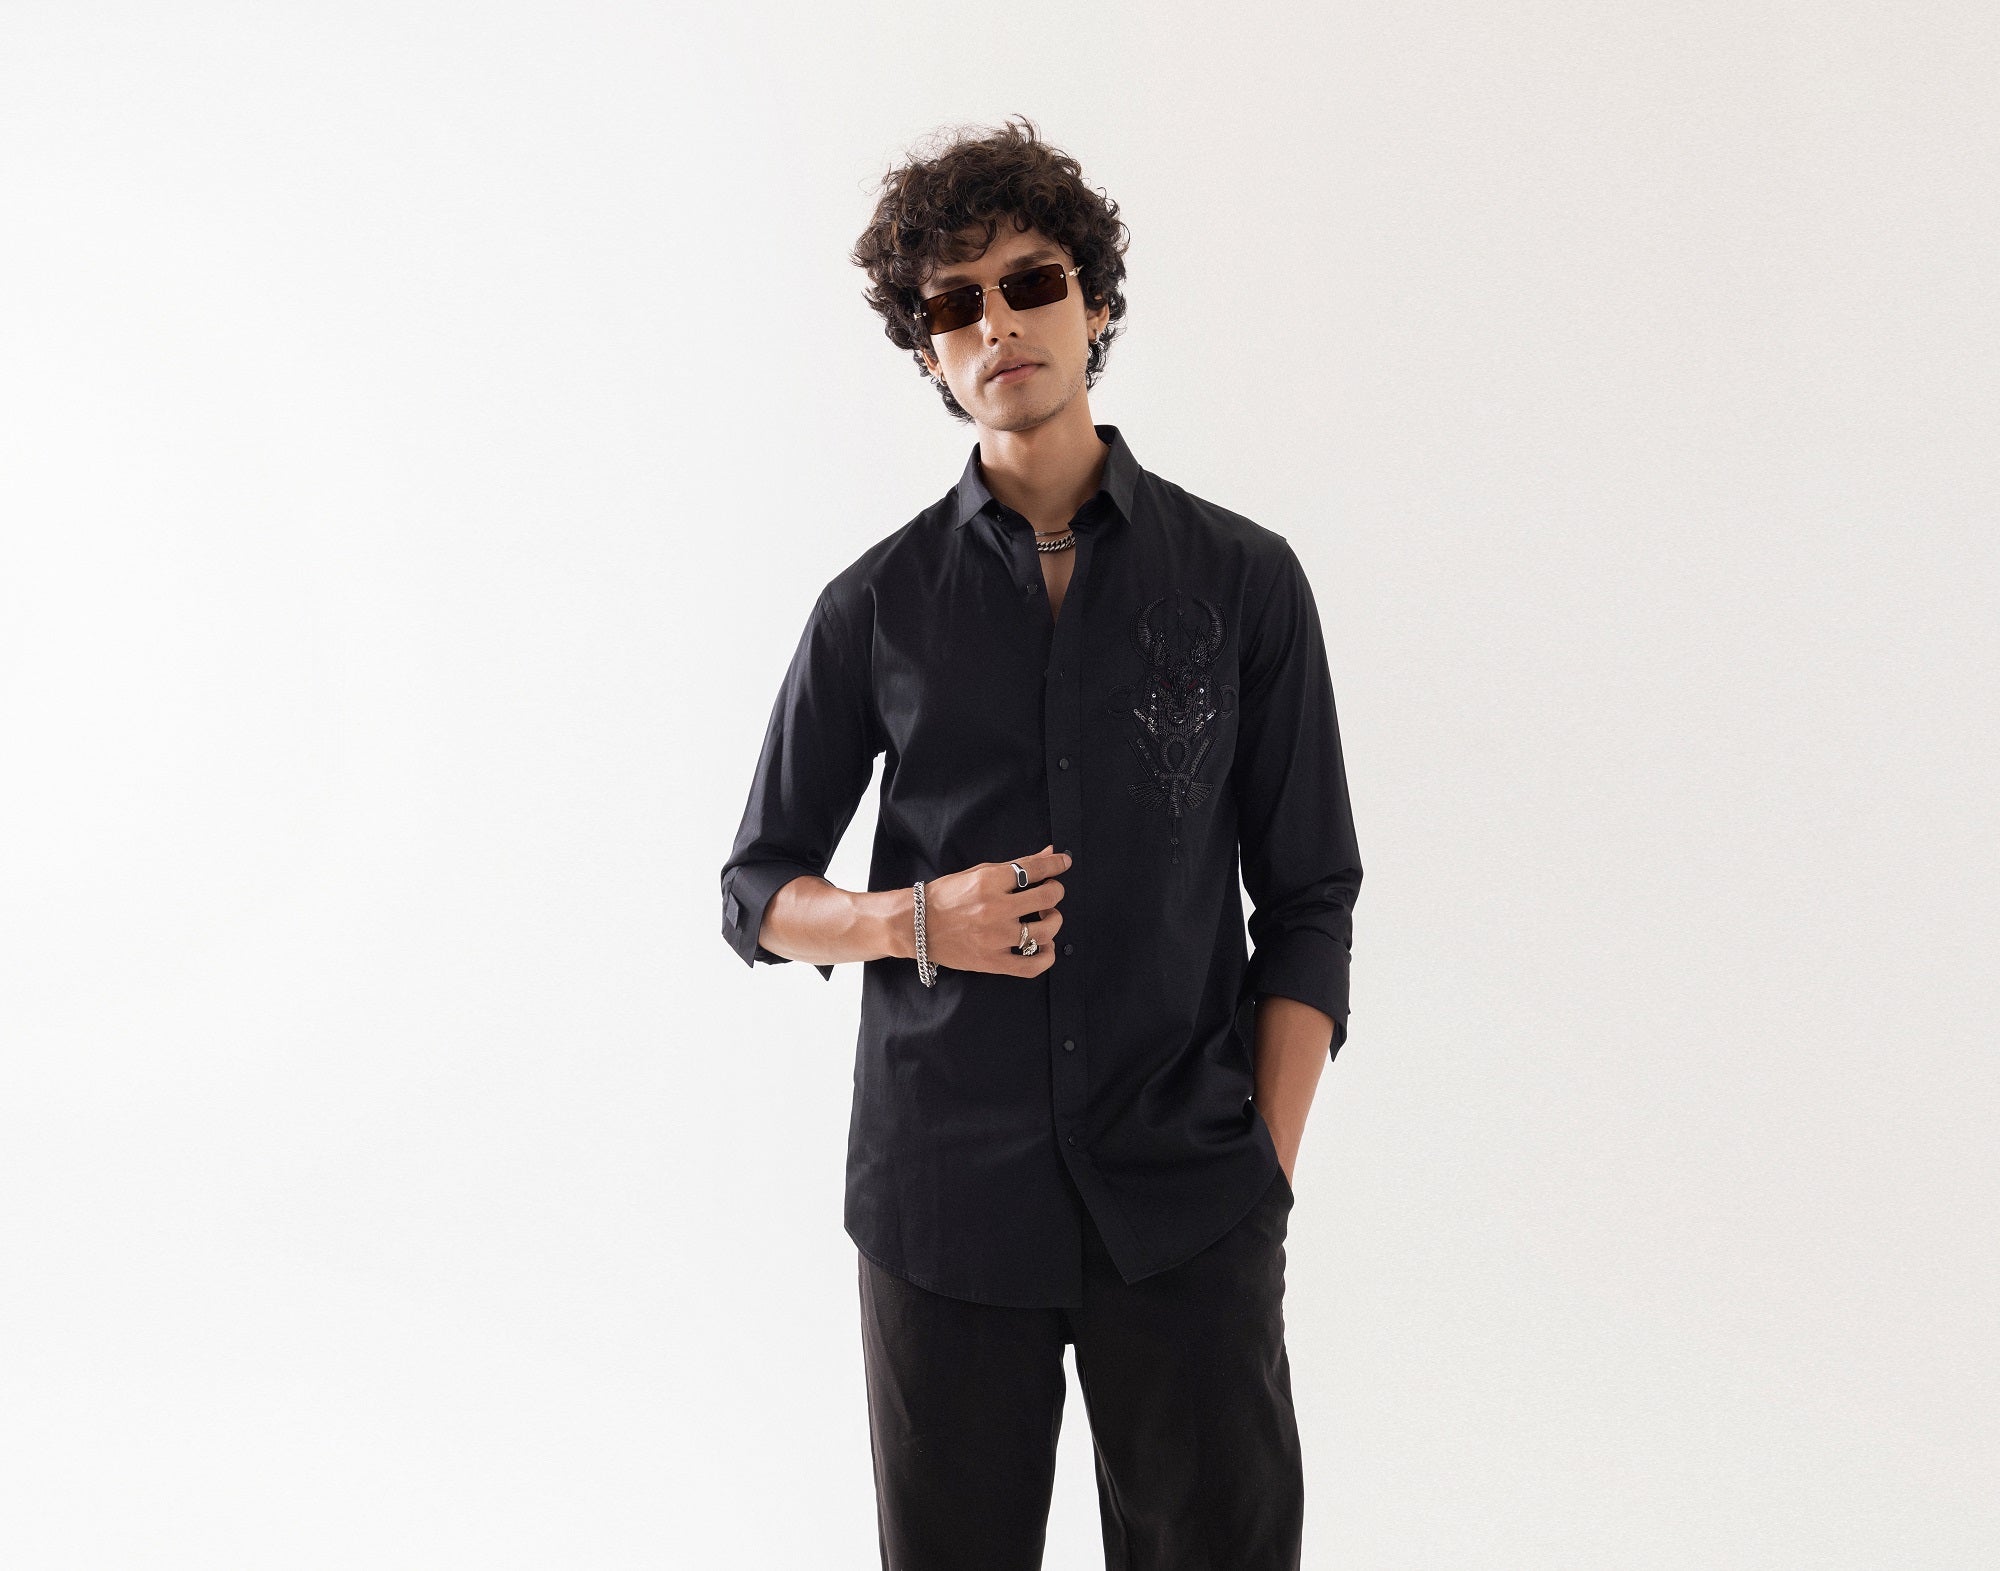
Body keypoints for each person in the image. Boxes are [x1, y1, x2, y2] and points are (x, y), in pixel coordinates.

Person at [718, 115, 1362, 1571]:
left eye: (1031, 282)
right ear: (929, 356)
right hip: (944, 1204)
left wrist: (1262, 1173)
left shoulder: (1245, 580)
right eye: (956, 305)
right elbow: (755, 888)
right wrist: (912, 919)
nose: (998, 324)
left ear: (1098, 304)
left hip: (1189, 1198)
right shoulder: (874, 606)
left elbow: (1310, 892)